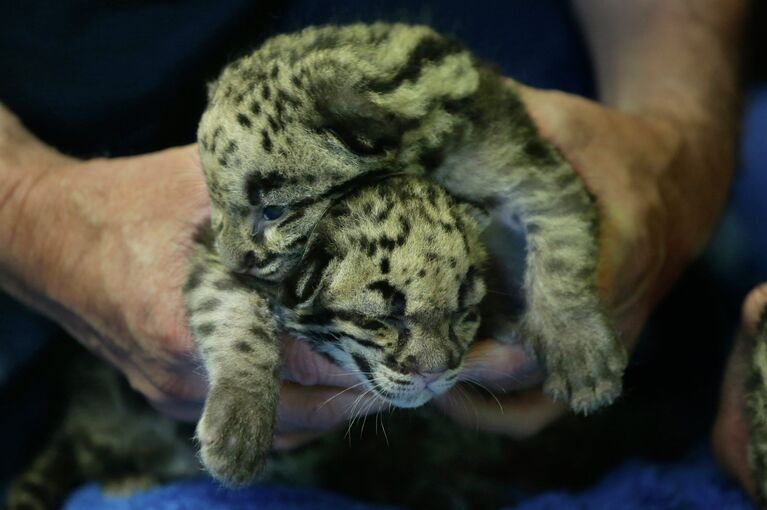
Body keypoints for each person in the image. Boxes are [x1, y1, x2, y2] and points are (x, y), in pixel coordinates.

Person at [0, 0, 754, 502]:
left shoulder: (439, 130)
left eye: (269, 206)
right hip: (83, 358)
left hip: (616, 191)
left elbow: (545, 184)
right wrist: (30, 207)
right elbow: (223, 253)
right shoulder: (273, 185)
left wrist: (678, 147)